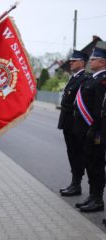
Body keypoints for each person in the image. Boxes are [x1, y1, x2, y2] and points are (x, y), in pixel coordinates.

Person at [74, 43, 106, 212]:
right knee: (89, 163)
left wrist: (95, 130)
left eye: (93, 59)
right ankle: (92, 195)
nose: (90, 62)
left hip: (96, 132)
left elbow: (100, 109)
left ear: (102, 62)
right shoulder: (92, 79)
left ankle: (98, 199)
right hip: (85, 130)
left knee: (96, 164)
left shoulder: (102, 81)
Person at [58, 50, 89, 197]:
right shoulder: (74, 78)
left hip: (76, 124)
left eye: (74, 61)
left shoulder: (84, 79)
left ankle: (76, 184)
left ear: (82, 62)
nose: (71, 63)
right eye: (71, 61)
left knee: (77, 153)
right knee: (71, 152)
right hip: (68, 123)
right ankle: (74, 184)